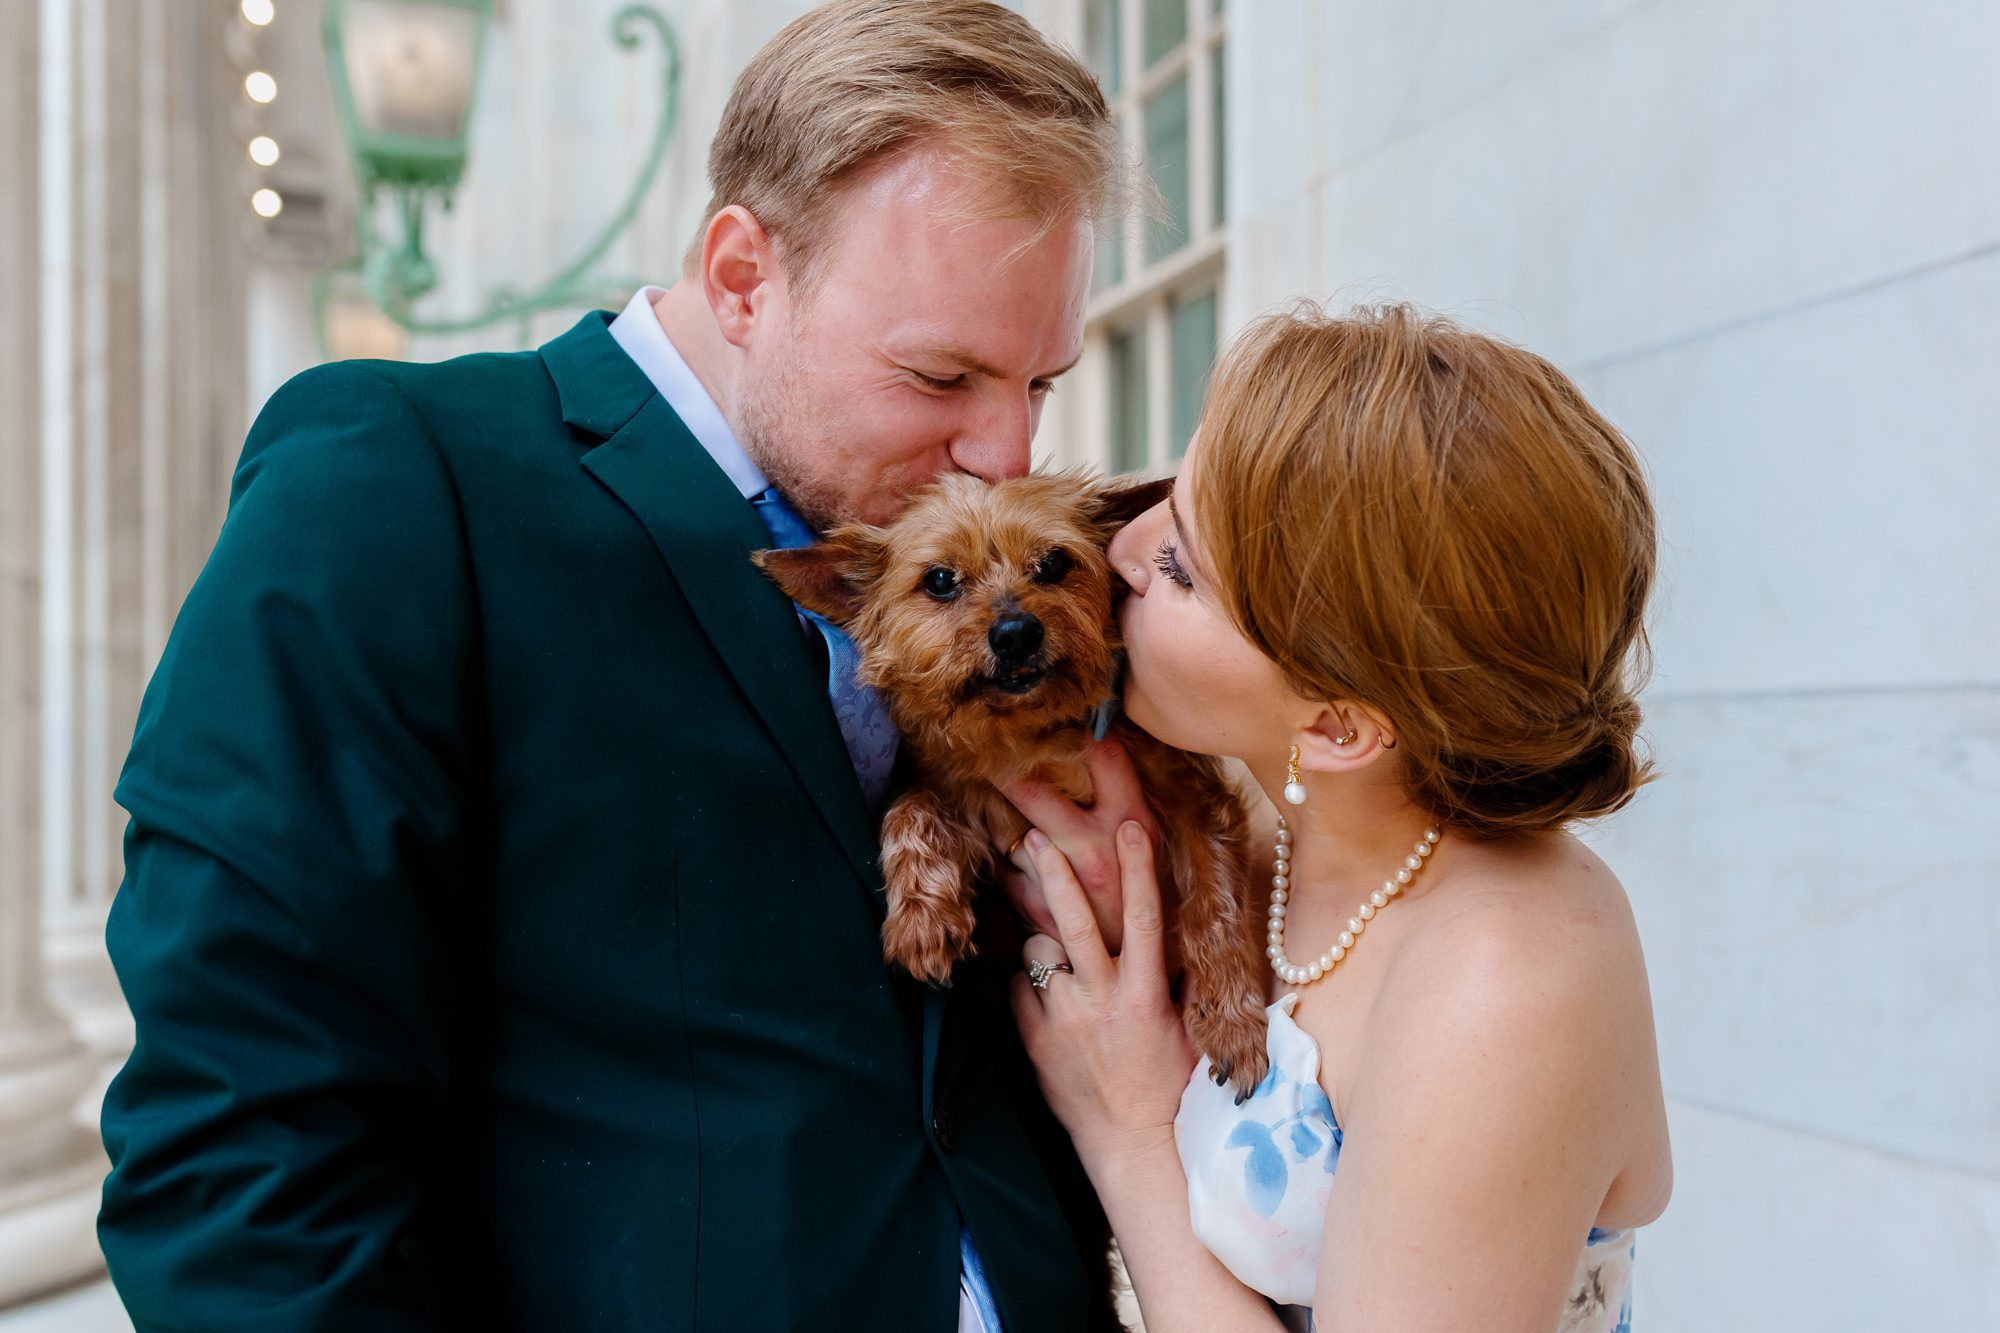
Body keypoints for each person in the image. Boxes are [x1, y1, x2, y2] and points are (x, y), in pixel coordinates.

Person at [97, 3, 1144, 1328]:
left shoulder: (996, 569)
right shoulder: (398, 480)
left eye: (1039, 384)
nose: (1005, 450)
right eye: (943, 375)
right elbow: (237, 1137)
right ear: (744, 276)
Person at [1002, 304, 1675, 1332]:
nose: (1122, 552)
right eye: (1165, 505)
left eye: (1180, 568)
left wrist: (1127, 1131)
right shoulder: (1243, 829)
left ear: (1337, 725)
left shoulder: (1515, 970)